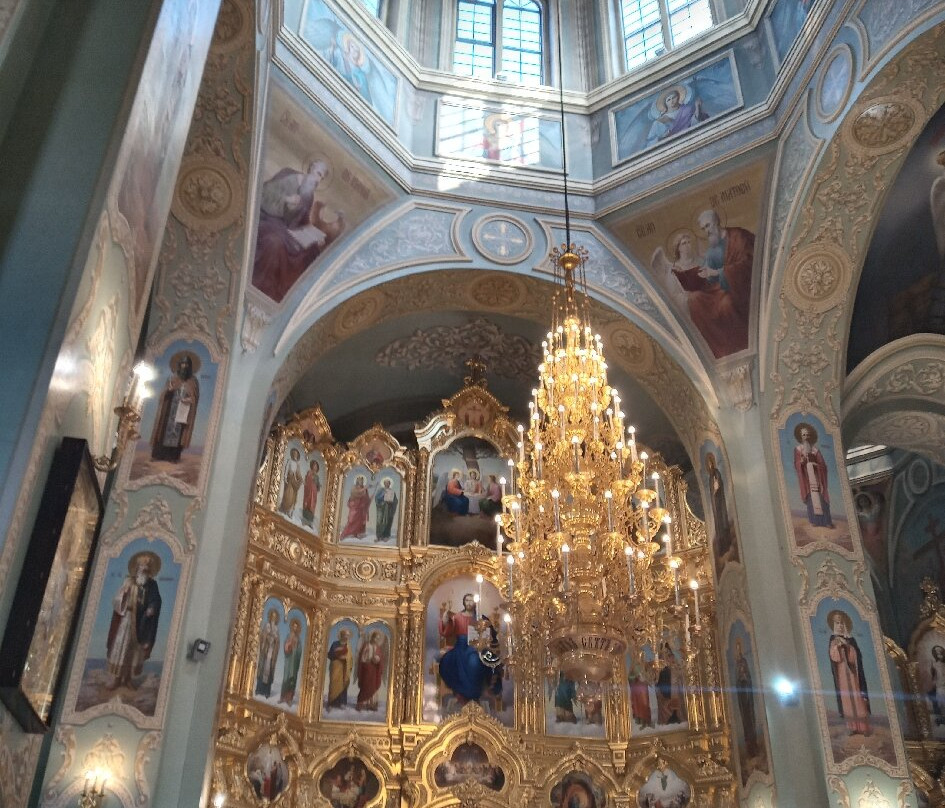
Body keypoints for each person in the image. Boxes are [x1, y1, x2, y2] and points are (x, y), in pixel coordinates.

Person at [253, 160, 339, 302]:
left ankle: (290, 300)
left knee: (312, 251)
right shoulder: (288, 175)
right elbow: (264, 193)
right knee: (275, 242)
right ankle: (263, 286)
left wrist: (313, 234)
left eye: (321, 178)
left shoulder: (308, 195)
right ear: (311, 168)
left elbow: (302, 220)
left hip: (285, 228)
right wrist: (286, 200)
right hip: (266, 218)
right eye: (318, 174)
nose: (317, 180)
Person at [106, 551, 162, 689]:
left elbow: (156, 599)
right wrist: (123, 595)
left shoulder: (152, 585)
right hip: (127, 619)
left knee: (134, 651)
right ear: (136, 568)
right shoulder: (128, 581)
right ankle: (117, 679)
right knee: (122, 647)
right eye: (141, 567)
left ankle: (128, 679)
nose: (144, 569)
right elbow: (117, 600)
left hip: (141, 622)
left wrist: (152, 607)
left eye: (146, 567)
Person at [438, 593, 487, 705]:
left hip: (475, 647)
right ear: (464, 602)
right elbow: (447, 631)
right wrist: (446, 619)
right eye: (467, 600)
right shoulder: (457, 617)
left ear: (474, 603)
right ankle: (461, 694)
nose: (469, 603)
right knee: (450, 662)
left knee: (475, 662)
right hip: (460, 646)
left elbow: (486, 634)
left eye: (471, 601)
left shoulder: (480, 618)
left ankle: (473, 695)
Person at [150, 352, 199, 462]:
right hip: (169, 410)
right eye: (183, 364)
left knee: (178, 433)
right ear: (179, 365)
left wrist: (190, 400)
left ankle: (173, 457)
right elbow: (163, 394)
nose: (185, 366)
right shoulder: (173, 378)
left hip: (183, 411)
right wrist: (169, 391)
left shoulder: (193, 381)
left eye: (187, 364)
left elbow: (194, 397)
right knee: (163, 430)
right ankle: (159, 455)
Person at [828, 610, 871, 735]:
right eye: (837, 623)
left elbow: (855, 657)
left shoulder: (850, 639)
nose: (840, 625)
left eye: (841, 623)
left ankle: (863, 727)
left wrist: (847, 646)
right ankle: (852, 727)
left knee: (857, 698)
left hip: (853, 674)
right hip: (841, 674)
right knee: (847, 699)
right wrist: (836, 647)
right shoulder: (833, 639)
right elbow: (834, 657)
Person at [793, 422, 835, 528]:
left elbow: (823, 465)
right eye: (803, 435)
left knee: (821, 498)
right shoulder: (798, 450)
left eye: (807, 435)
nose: (806, 437)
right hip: (807, 478)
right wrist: (801, 462)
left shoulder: (815, 450)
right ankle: (814, 521)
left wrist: (816, 465)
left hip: (817, 477)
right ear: (800, 437)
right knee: (811, 499)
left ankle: (826, 521)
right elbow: (797, 464)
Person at [705, 453, 736, 564]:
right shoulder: (710, 477)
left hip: (720, 503)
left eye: (710, 463)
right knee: (718, 526)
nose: (709, 465)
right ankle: (722, 548)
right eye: (708, 464)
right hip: (715, 505)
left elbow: (718, 486)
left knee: (723, 521)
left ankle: (727, 544)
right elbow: (711, 490)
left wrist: (716, 490)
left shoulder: (717, 473)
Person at [733, 638, 759, 758]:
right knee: (745, 719)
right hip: (742, 697)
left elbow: (748, 677)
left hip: (747, 696)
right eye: (736, 650)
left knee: (750, 717)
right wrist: (740, 679)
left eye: (739, 649)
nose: (738, 652)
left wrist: (744, 678)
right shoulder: (737, 666)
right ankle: (749, 745)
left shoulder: (744, 662)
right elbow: (737, 681)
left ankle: (754, 744)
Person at [655, 643, 685, 725]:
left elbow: (680, 679)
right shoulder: (660, 671)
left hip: (674, 693)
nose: (666, 658)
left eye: (668, 655)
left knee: (676, 706)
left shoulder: (676, 668)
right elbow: (657, 684)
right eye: (663, 656)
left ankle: (677, 716)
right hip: (664, 694)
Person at [356, 630, 386, 711]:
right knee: (365, 686)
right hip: (367, 668)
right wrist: (369, 659)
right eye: (375, 638)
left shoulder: (378, 648)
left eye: (378, 639)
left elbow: (381, 659)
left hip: (375, 670)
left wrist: (378, 659)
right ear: (372, 637)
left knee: (373, 686)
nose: (376, 640)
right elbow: (362, 657)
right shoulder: (366, 645)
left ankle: (371, 704)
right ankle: (362, 704)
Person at [326, 628, 354, 710]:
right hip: (336, 667)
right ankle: (332, 702)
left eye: (348, 636)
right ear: (341, 635)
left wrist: (347, 660)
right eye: (345, 635)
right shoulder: (335, 644)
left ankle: (342, 702)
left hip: (345, 668)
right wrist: (338, 656)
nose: (346, 637)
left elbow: (351, 658)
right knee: (333, 684)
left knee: (343, 684)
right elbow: (330, 655)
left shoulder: (348, 646)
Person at [256, 607, 280, 698]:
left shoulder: (276, 629)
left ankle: (266, 691)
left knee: (269, 671)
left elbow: (278, 641)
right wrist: (266, 636)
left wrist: (275, 640)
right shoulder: (267, 625)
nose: (273, 618)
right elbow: (262, 636)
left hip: (271, 651)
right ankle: (259, 689)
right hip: (265, 650)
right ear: (270, 617)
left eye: (275, 617)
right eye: (272, 616)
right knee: (262, 669)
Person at [279, 618, 303, 706]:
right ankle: (282, 697)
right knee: (286, 679)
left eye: (297, 627)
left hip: (294, 663)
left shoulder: (298, 639)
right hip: (289, 661)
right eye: (294, 626)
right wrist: (288, 646)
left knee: (292, 680)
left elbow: (300, 650)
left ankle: (289, 699)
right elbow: (285, 646)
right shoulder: (288, 636)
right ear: (292, 627)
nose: (295, 628)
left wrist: (296, 648)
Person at [279, 448, 304, 518]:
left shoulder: (297, 464)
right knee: (287, 494)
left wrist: (301, 480)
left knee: (292, 496)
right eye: (294, 453)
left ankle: (289, 511)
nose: (294, 455)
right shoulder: (289, 461)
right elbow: (287, 469)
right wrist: (285, 477)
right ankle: (284, 508)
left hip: (294, 480)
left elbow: (298, 473)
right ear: (292, 454)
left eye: (296, 454)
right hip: (289, 479)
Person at [302, 459, 321, 528]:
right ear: (312, 466)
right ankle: (304, 520)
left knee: (312, 506)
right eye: (314, 465)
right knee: (307, 504)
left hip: (314, 492)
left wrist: (318, 486)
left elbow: (318, 485)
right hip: (309, 490)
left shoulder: (317, 476)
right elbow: (306, 480)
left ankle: (309, 522)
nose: (315, 467)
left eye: (316, 466)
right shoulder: (309, 472)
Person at [930, 645, 945, 725]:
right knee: (941, 702)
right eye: (936, 652)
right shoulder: (934, 664)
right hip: (940, 686)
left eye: (940, 651)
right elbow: (934, 676)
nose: (938, 653)